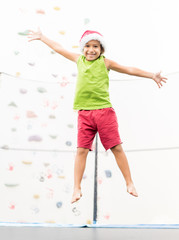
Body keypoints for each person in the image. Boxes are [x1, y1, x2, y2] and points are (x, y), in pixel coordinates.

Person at [28, 29, 167, 203]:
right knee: (81, 150)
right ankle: (76, 188)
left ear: (101, 50)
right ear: (82, 48)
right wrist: (42, 37)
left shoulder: (105, 63)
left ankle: (129, 182)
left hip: (104, 112)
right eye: (87, 46)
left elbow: (128, 69)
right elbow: (59, 48)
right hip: (84, 114)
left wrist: (151, 75)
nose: (91, 50)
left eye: (95, 46)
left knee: (116, 147)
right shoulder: (79, 60)